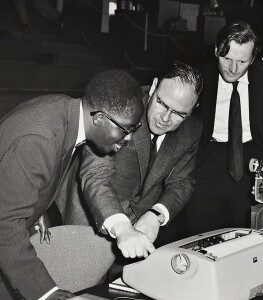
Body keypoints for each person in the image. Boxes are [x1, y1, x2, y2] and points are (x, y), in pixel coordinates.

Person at [0, 69, 144, 300]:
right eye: (126, 130)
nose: (128, 139)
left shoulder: (66, 112)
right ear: (98, 119)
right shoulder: (40, 139)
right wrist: (48, 294)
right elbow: (4, 226)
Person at [59, 60, 202, 261]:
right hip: (92, 214)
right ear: (153, 87)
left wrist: (156, 215)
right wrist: (122, 227)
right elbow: (95, 175)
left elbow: (182, 182)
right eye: (162, 103)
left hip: (142, 226)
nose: (165, 118)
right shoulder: (119, 106)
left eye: (179, 114)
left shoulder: (192, 130)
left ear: (193, 109)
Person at [183, 21, 263, 236]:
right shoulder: (198, 76)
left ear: (253, 58)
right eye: (226, 58)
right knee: (200, 238)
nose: (232, 69)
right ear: (216, 50)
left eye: (242, 61)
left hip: (252, 162)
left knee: (247, 242)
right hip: (207, 162)